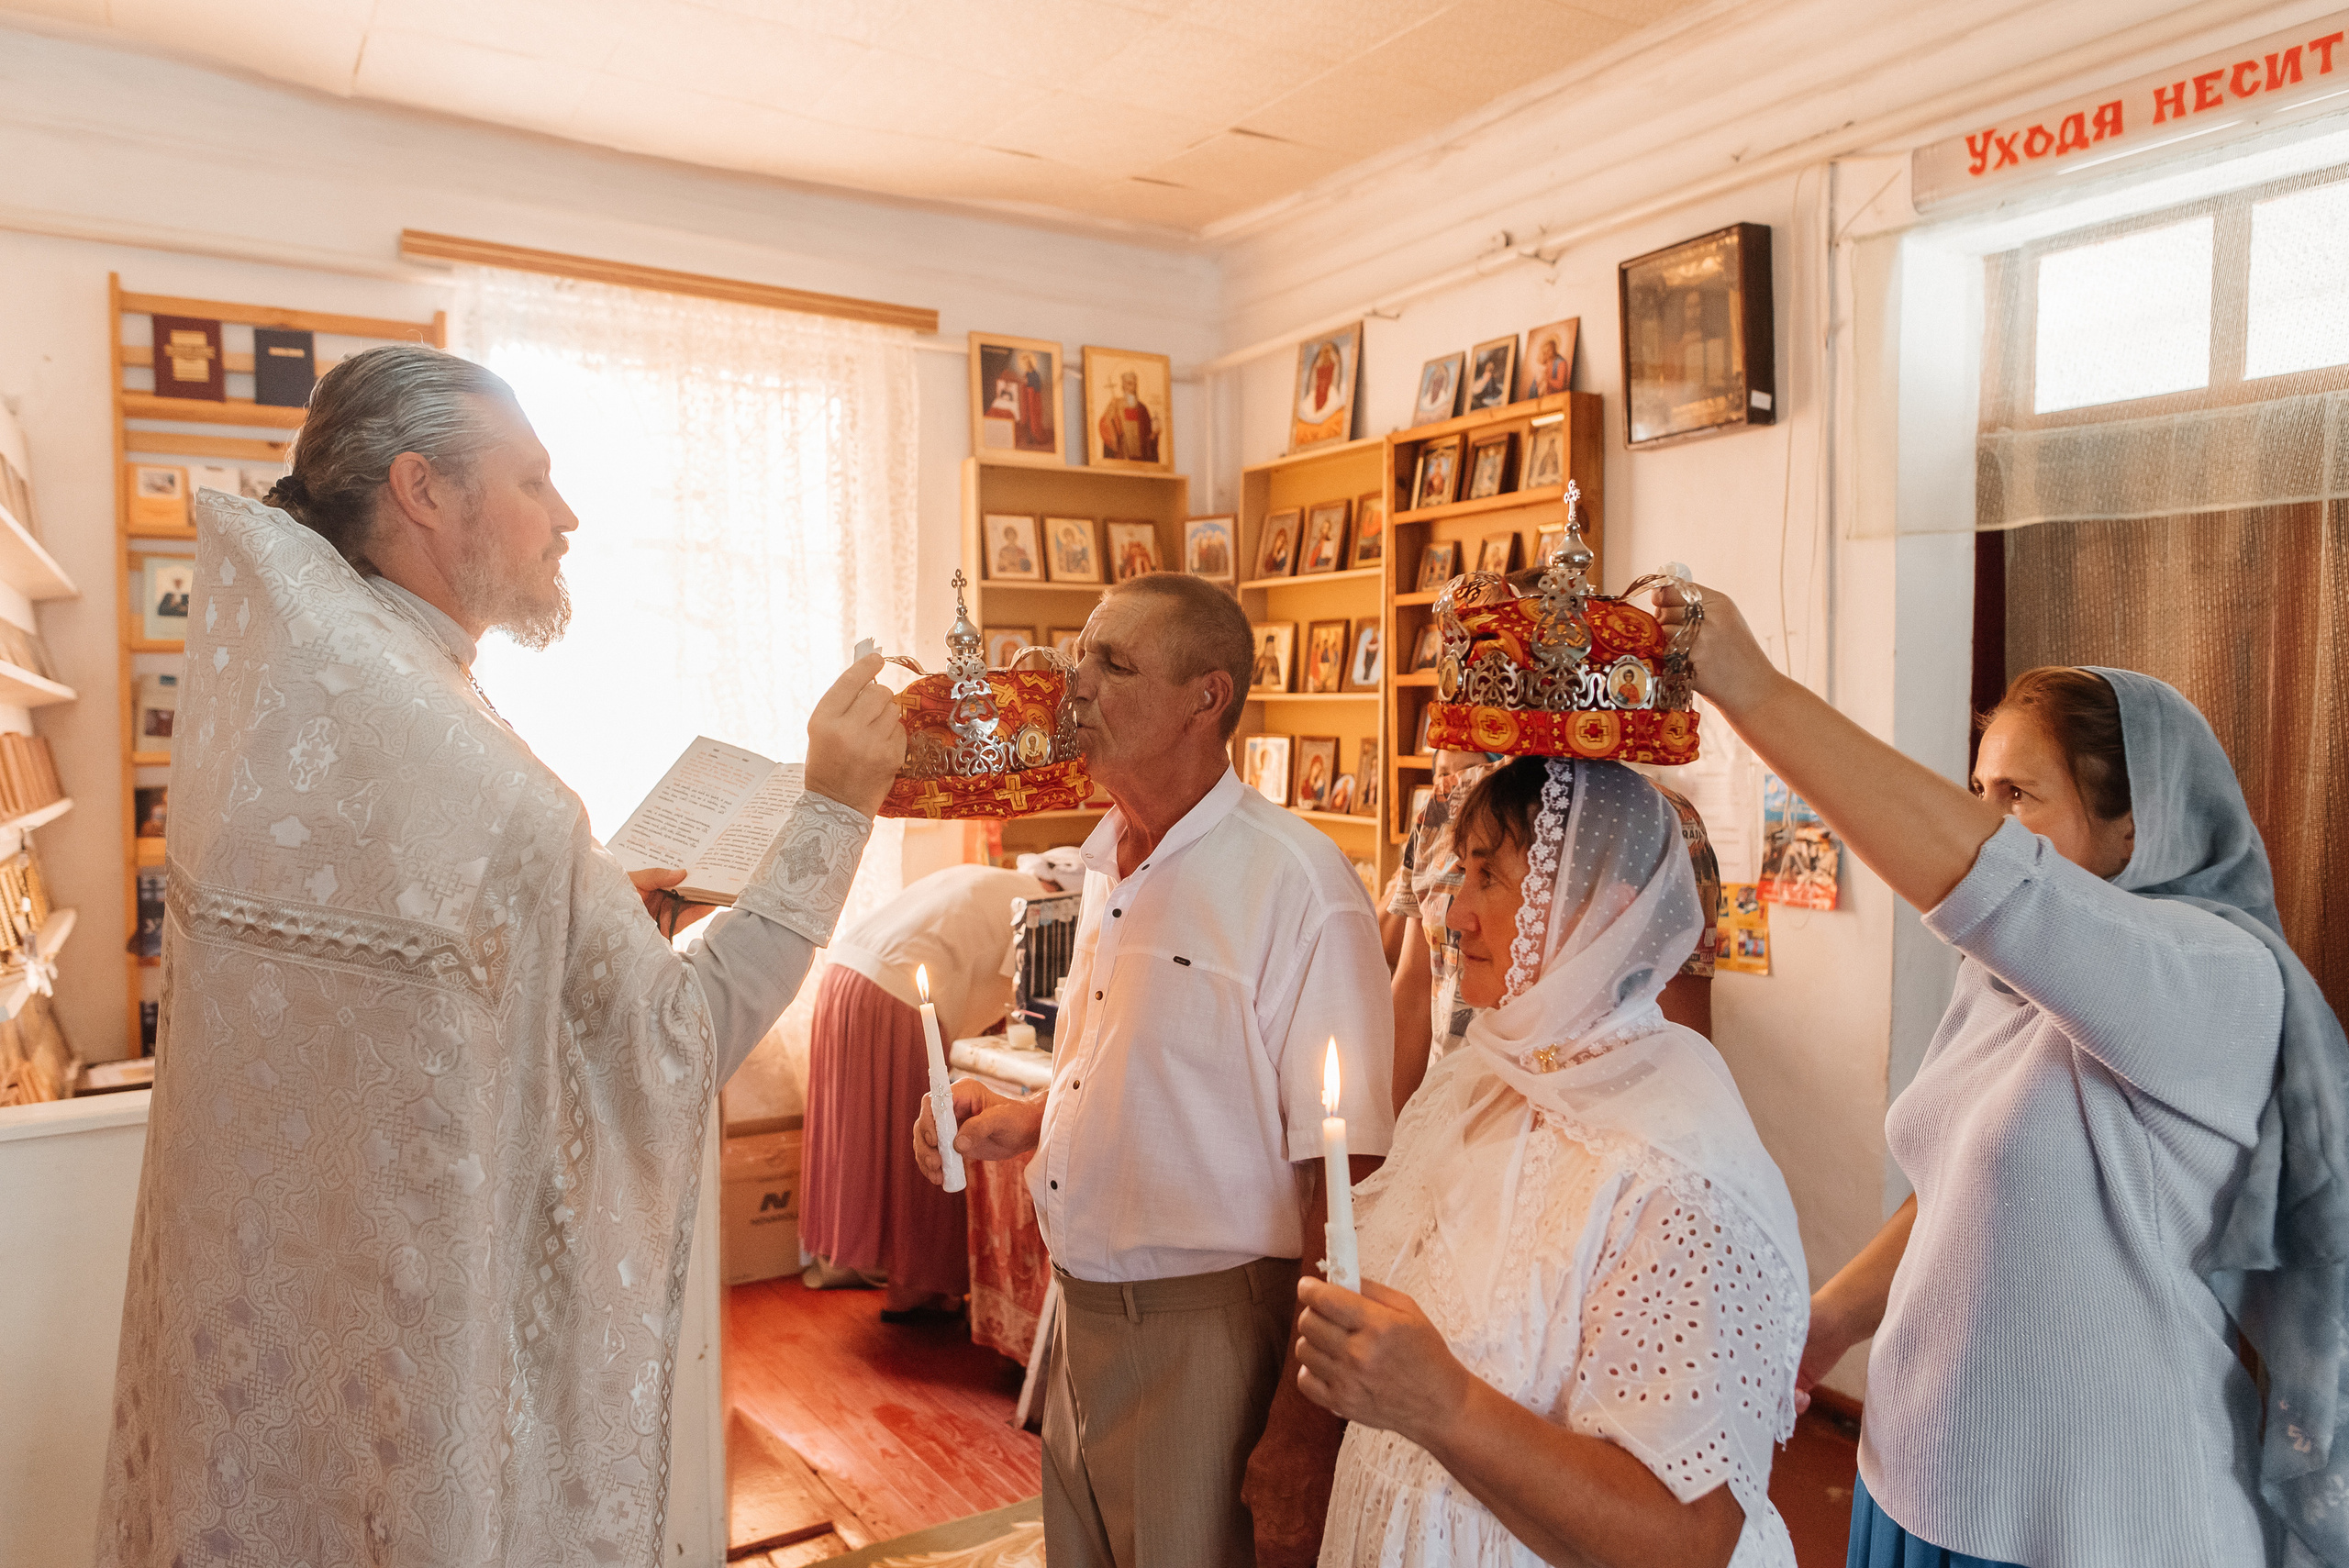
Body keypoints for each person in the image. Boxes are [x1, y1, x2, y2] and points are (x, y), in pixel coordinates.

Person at [95, 345, 905, 1568]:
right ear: (423, 491)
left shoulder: (322, 688)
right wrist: (836, 809)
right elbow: (673, 1050)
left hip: (290, 1336)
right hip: (424, 1355)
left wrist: (575, 925)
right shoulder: (467, 768)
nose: (566, 516)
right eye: (533, 479)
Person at [1665, 574, 2345, 1567]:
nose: (1981, 821)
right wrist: (1822, 1325)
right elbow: (1959, 1189)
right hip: (1922, 1480)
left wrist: (1755, 691)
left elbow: (1999, 887)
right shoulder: (2004, 980)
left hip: (2096, 1519)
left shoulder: (2217, 976)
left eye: (2016, 796)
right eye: (1975, 790)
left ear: (2135, 826)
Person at [912, 572, 1395, 1567]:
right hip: (1083, 1309)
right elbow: (1152, 1062)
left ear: (1205, 698)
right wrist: (1028, 1115)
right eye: (1079, 654)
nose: (1072, 685)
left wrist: (1304, 1424)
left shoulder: (1296, 882)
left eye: (1113, 663)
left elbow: (1348, 1167)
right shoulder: (1108, 858)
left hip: (1209, 1328)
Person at [1285, 757, 1807, 1567]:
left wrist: (1444, 1403)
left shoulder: (1674, 1172)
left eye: (1490, 877)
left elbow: (1692, 1538)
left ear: (1606, 911)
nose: (1455, 914)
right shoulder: (1472, 1085)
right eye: (1461, 872)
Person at [1390, 751, 1720, 1112]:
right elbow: (1415, 988)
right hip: (1459, 1092)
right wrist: (1397, 1132)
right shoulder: (1445, 803)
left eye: (1489, 877)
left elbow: (1676, 1011)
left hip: (1598, 1102)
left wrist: (1667, 1111)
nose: (1457, 917)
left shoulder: (1651, 816)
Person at [801, 862, 1049, 1319]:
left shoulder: (990, 877)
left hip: (842, 978)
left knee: (869, 1136)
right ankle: (917, 1287)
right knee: (928, 1139)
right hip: (896, 995)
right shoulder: (1043, 908)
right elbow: (1017, 1003)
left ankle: (904, 1280)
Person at [1097, 370, 1158, 463]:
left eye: (1134, 384)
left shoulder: (1142, 408)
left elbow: (1148, 437)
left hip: (1140, 460)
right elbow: (1105, 424)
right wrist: (1114, 432)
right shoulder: (1115, 405)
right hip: (1122, 454)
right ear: (1123, 386)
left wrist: (1155, 434)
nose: (1132, 387)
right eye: (1129, 383)